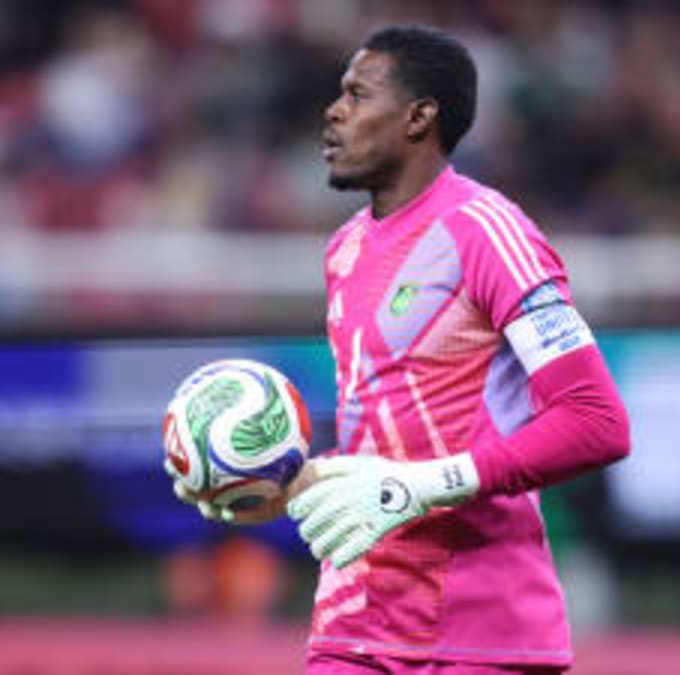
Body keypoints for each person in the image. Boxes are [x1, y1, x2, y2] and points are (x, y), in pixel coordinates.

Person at [170, 24, 630, 674]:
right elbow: (384, 444)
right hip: (354, 628)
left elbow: (596, 421)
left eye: (358, 95)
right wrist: (268, 480)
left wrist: (420, 486)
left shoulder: (487, 233)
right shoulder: (344, 251)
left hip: (479, 634)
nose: (334, 111)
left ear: (419, 117)